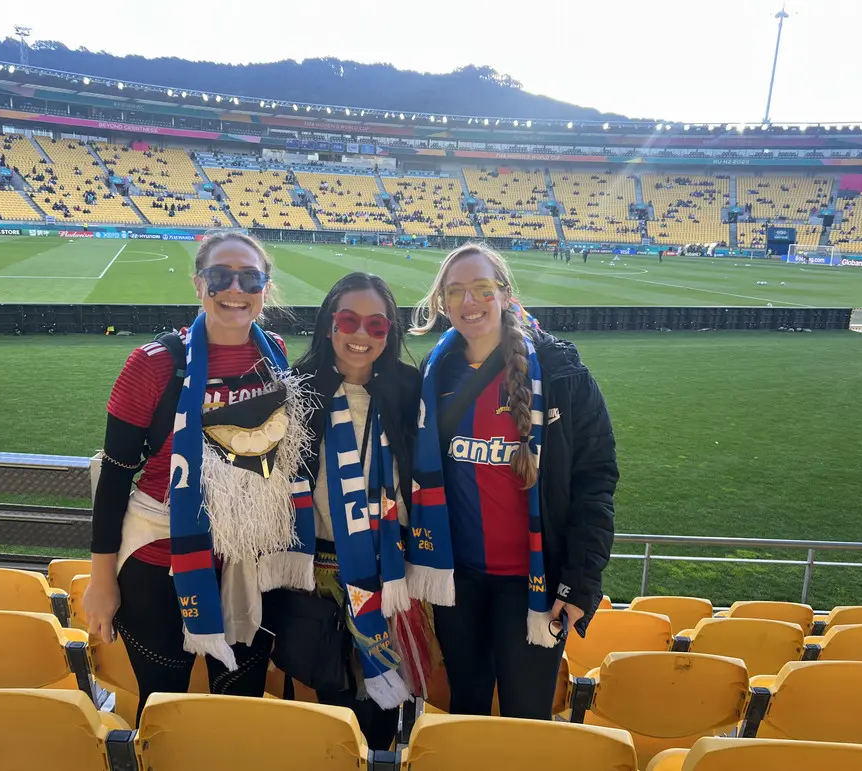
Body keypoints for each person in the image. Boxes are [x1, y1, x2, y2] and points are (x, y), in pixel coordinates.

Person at [83, 231, 313, 722]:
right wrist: (101, 580)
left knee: (239, 707)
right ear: (198, 284)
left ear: (265, 288)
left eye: (250, 277)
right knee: (166, 710)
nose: (236, 287)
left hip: (244, 552)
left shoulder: (272, 350)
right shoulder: (153, 364)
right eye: (221, 276)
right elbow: (116, 474)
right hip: (159, 551)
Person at [406, 243, 617, 720]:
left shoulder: (560, 372)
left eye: (481, 288)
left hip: (534, 585)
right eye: (455, 291)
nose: (469, 301)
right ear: (441, 302)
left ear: (504, 293)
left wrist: (581, 582)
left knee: (527, 717)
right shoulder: (434, 374)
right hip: (457, 582)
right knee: (467, 709)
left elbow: (595, 479)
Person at [261, 273, 425, 751]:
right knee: (324, 701)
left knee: (379, 707)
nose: (360, 336)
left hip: (389, 569)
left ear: (390, 331)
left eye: (376, 325)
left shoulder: (408, 388)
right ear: (329, 325)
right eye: (348, 321)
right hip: (315, 572)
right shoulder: (298, 388)